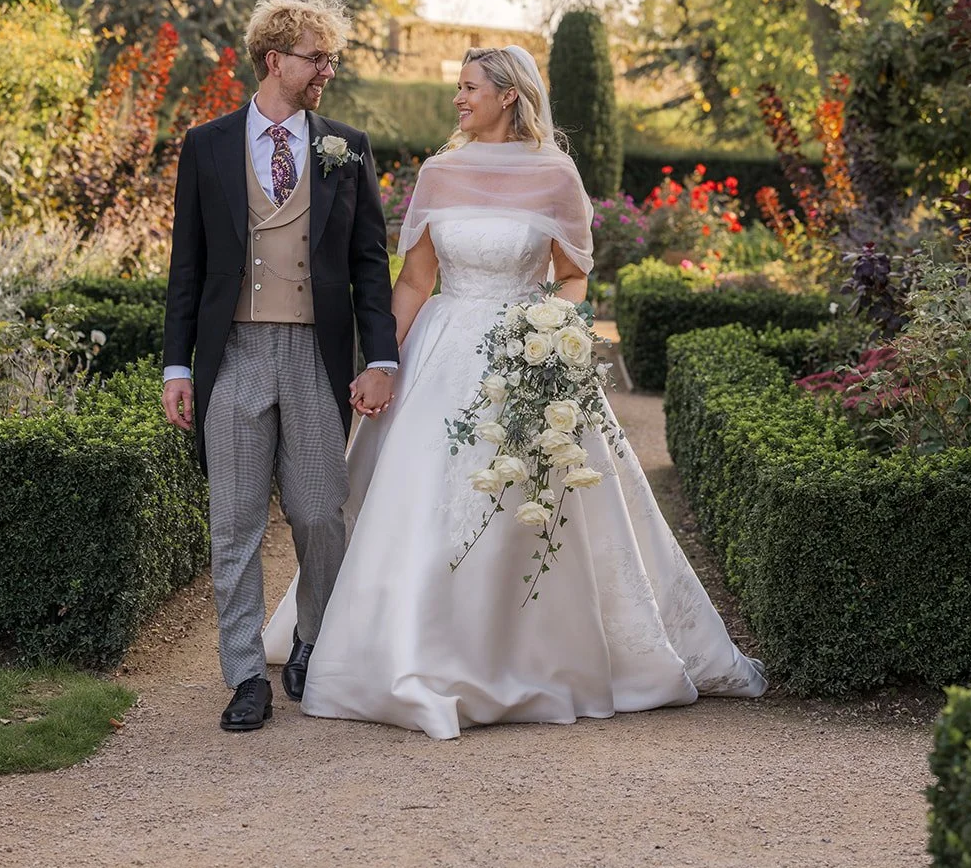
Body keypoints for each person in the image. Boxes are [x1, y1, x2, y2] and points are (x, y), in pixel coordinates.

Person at [263, 46, 766, 738]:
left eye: (468, 87)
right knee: (415, 497)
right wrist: (382, 359)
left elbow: (573, 276)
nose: (458, 98)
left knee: (533, 503)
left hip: (528, 354)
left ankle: (527, 651)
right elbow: (414, 279)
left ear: (508, 95)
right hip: (442, 351)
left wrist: (556, 334)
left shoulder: (555, 175)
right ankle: (400, 644)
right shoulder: (439, 172)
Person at [161, 0, 400, 732]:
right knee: (232, 521)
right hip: (233, 353)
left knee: (319, 511)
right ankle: (243, 676)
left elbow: (369, 263)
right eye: (315, 57)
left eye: (331, 57)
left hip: (313, 354)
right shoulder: (206, 145)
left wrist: (381, 357)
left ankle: (310, 638)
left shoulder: (346, 146)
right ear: (276, 60)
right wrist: (177, 366)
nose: (327, 68)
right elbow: (187, 266)